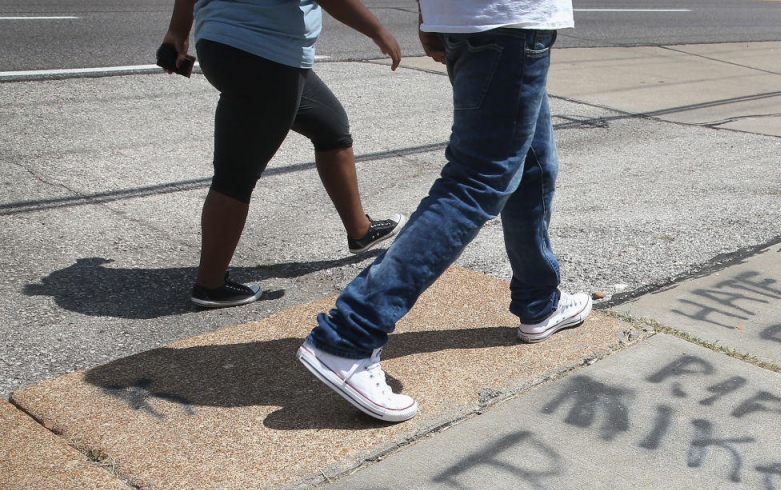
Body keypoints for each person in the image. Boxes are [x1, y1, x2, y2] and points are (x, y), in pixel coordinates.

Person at [297, 0, 591, 423]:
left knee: (531, 163)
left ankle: (539, 302)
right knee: (478, 178)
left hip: (472, 17)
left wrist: (429, 12)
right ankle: (348, 335)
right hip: (510, 19)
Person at [160, 0, 404, 309]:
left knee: (330, 126)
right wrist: (378, 31)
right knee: (236, 175)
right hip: (263, 53)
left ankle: (360, 230)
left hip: (229, 44)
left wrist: (178, 32)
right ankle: (210, 284)